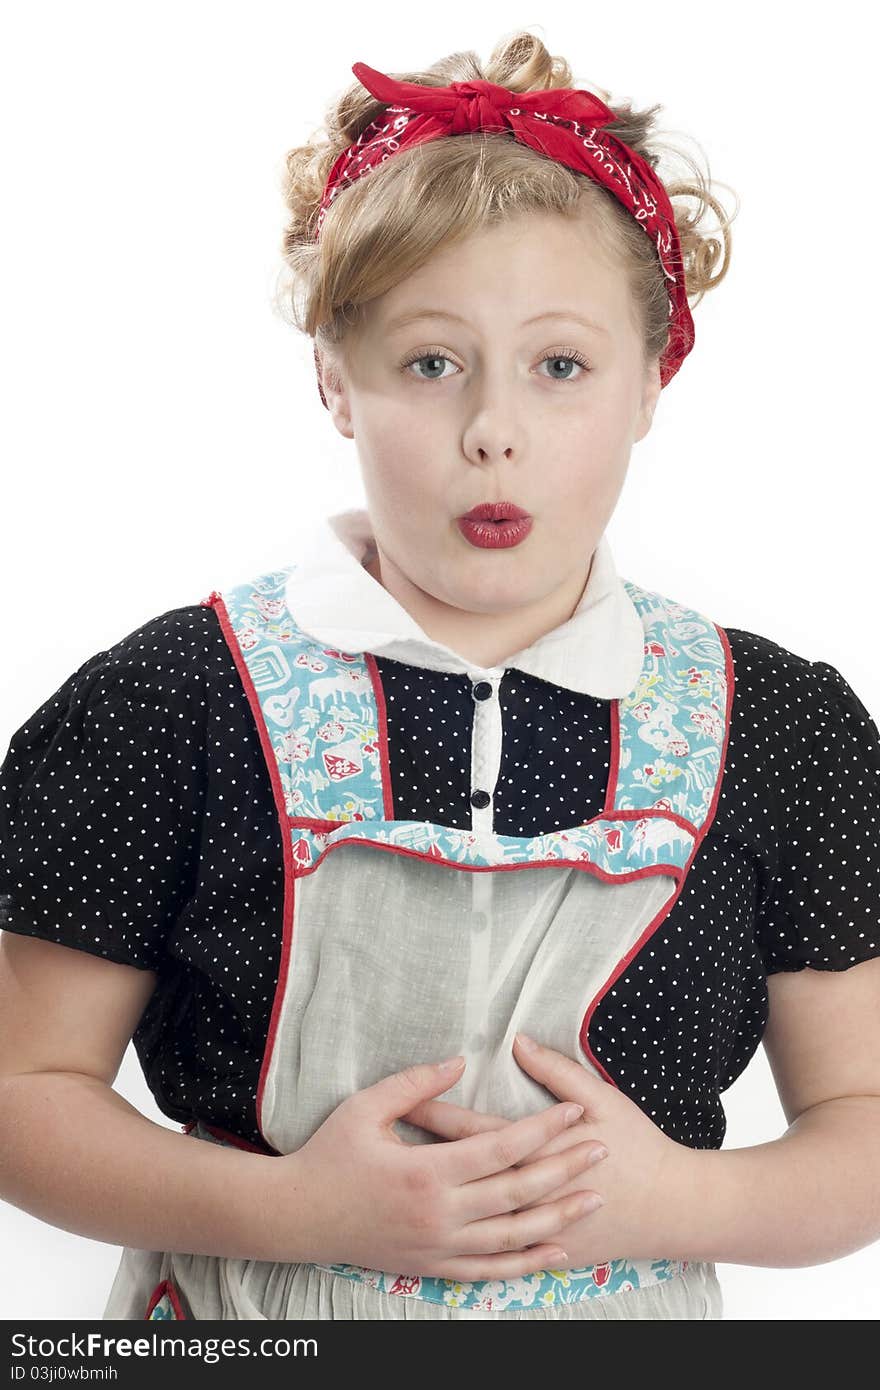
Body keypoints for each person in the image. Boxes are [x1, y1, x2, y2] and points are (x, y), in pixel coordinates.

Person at [1, 30, 879, 1322]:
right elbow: (24, 1088)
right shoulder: (177, 702)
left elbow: (860, 1123)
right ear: (332, 378)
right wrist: (298, 1210)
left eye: (561, 366)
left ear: (654, 380)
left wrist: (665, 1198)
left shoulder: (781, 730)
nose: (494, 429)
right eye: (430, 361)